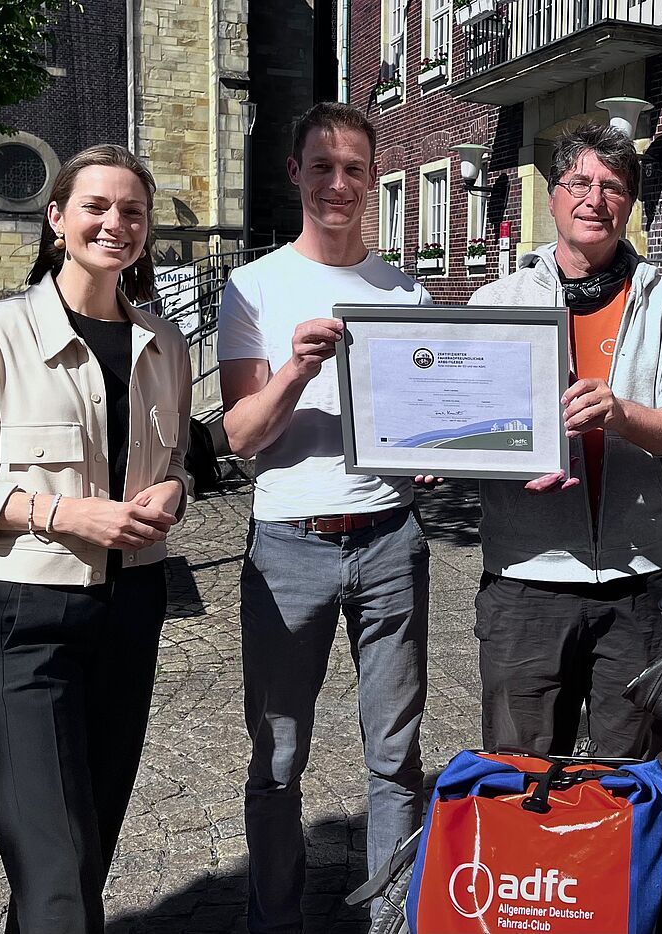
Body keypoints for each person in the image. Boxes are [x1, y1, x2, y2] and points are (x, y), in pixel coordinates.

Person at [0, 144, 192, 934]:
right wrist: (61, 514)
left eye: (133, 211)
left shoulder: (164, 345)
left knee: (80, 853)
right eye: (96, 206)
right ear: (57, 219)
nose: (116, 224)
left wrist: (175, 490)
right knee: (56, 872)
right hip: (22, 622)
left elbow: (178, 468)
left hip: (132, 610)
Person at [217, 102, 432, 934]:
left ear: (371, 179)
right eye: (323, 167)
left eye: (354, 169)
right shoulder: (255, 286)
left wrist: (432, 448)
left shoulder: (405, 288)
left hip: (390, 538)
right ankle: (275, 920)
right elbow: (241, 436)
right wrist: (295, 372)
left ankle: (391, 922)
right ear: (295, 174)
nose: (339, 183)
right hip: (288, 546)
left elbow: (424, 419)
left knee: (395, 757)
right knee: (276, 759)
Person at [467, 123, 662, 758]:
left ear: (630, 204)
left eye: (613, 187)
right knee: (520, 770)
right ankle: (536, 864)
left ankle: (633, 864)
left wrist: (623, 415)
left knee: (634, 775)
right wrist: (434, 454)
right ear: (551, 196)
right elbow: (469, 423)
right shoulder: (496, 303)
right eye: (579, 182)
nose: (594, 199)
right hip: (528, 576)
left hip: (639, 581)